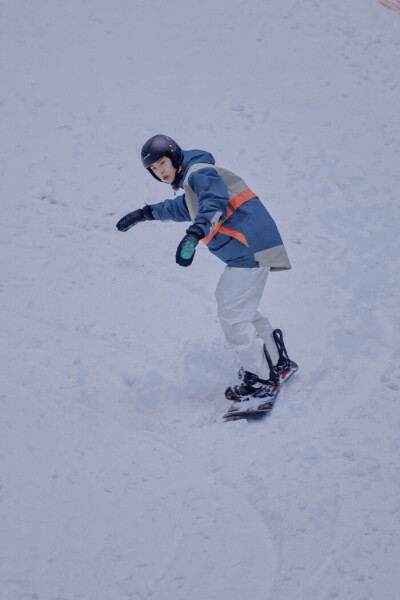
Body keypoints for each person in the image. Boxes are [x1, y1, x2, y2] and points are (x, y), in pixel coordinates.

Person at [116, 134, 297, 403]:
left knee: (233, 315)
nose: (160, 171)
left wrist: (194, 234)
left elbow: (214, 204)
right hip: (247, 250)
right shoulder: (193, 178)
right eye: (154, 169)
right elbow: (183, 207)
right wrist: (145, 213)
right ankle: (275, 360)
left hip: (250, 248)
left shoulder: (199, 174)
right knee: (234, 305)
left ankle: (260, 378)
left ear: (175, 157)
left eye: (163, 163)